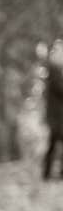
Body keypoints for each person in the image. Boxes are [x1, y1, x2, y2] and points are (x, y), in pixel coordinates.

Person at [43, 42, 63, 180]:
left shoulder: (56, 70)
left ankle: (49, 173)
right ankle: (47, 173)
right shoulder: (54, 71)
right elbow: (60, 89)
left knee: (53, 143)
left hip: (58, 115)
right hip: (56, 115)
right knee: (53, 143)